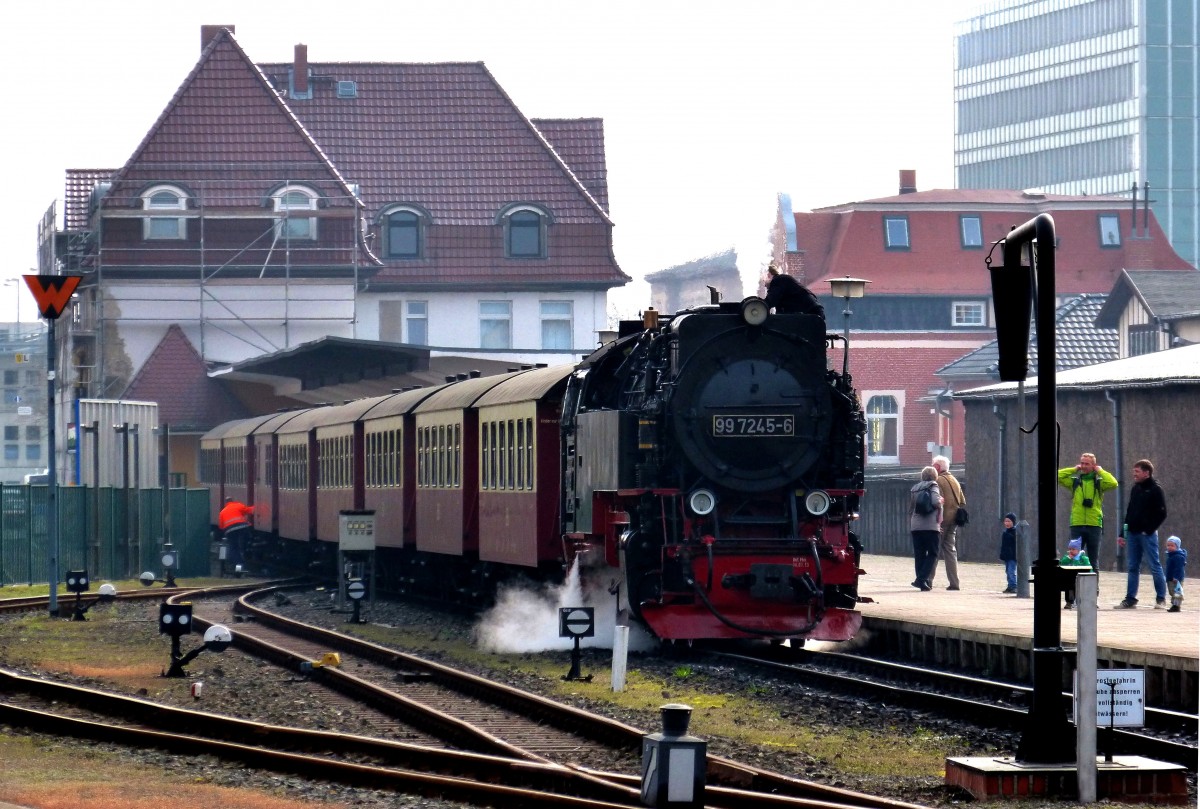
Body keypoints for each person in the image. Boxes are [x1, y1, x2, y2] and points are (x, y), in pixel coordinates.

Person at [1115, 458, 1168, 609]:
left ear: (1147, 473)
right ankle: (1130, 598)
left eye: (1137, 472)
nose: (1134, 475)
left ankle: (1161, 598)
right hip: (1132, 533)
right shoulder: (1135, 488)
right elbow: (1129, 512)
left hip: (1147, 535)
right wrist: (1122, 533)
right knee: (1132, 566)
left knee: (1154, 565)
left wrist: (1149, 529)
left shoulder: (1155, 489)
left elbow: (1162, 513)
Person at [1057, 452, 1117, 573]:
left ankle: (1093, 589)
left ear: (1093, 465)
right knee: (1073, 558)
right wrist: (1074, 469)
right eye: (1082, 463)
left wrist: (1100, 471)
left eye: (1087, 464)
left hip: (1094, 524)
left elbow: (1113, 483)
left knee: (1093, 559)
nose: (1083, 466)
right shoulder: (1075, 481)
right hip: (1077, 523)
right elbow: (1057, 476)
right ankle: (1074, 587)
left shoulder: (1099, 482)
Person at [928, 455, 966, 591]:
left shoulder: (937, 481)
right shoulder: (954, 480)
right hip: (954, 520)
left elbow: (937, 502)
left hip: (942, 520)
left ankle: (928, 580)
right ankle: (954, 583)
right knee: (951, 551)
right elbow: (962, 501)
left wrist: (936, 522)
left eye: (933, 465)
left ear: (937, 467)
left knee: (934, 550)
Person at [909, 466, 943, 592]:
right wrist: (941, 501)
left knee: (919, 554)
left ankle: (921, 581)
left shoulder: (914, 488)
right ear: (934, 476)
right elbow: (935, 502)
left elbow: (912, 507)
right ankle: (921, 579)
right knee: (933, 553)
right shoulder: (933, 486)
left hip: (916, 525)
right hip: (930, 525)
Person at [218, 497, 255, 574]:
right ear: (232, 501)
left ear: (226, 503)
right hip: (242, 527)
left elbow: (221, 526)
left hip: (230, 531)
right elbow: (249, 510)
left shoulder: (222, 512)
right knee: (245, 541)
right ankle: (246, 550)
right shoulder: (238, 505)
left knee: (233, 547)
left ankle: (239, 564)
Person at [1060, 538, 1092, 609]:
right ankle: (1069, 602)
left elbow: (1088, 568)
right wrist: (1068, 559)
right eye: (1070, 549)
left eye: (1073, 549)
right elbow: (1062, 563)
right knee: (1069, 587)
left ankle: (1080, 602)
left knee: (1078, 588)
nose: (1071, 551)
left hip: (1081, 579)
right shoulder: (1067, 557)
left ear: (1078, 550)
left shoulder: (1083, 558)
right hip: (1070, 578)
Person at [1164, 536, 1186, 613]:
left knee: (1177, 593)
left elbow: (1179, 568)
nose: (1169, 547)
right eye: (1168, 545)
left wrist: (1176, 577)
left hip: (1176, 579)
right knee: (1172, 592)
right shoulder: (1171, 555)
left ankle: (1176, 606)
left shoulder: (1178, 556)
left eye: (1172, 545)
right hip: (1170, 578)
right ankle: (1174, 604)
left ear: (1177, 546)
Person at [999, 512, 1018, 594]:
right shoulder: (1005, 532)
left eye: (1009, 521)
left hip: (1012, 556)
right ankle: (1010, 586)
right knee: (1007, 571)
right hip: (1007, 556)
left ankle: (1014, 586)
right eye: (1006, 521)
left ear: (1013, 522)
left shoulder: (1015, 532)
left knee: (1011, 571)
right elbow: (1003, 546)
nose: (1007, 523)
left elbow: (1015, 544)